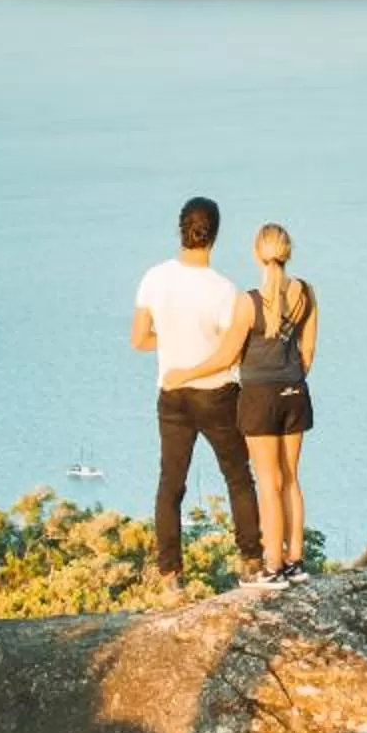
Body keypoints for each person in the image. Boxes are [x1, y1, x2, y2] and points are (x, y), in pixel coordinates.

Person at [166, 220, 317, 586]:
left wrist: (183, 375)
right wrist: (289, 379)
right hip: (295, 392)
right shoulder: (306, 293)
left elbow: (225, 356)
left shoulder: (248, 303)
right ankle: (296, 562)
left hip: (259, 398)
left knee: (268, 481)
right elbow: (308, 352)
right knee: (292, 479)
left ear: (256, 253)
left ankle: (273, 567)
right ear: (289, 251)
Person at [130, 196, 264, 581]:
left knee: (171, 484)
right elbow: (229, 352)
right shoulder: (225, 290)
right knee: (238, 477)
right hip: (217, 394)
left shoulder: (154, 278)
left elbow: (140, 339)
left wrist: (173, 343)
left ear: (180, 229)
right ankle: (251, 560)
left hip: (172, 395)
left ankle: (170, 575)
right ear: (215, 235)